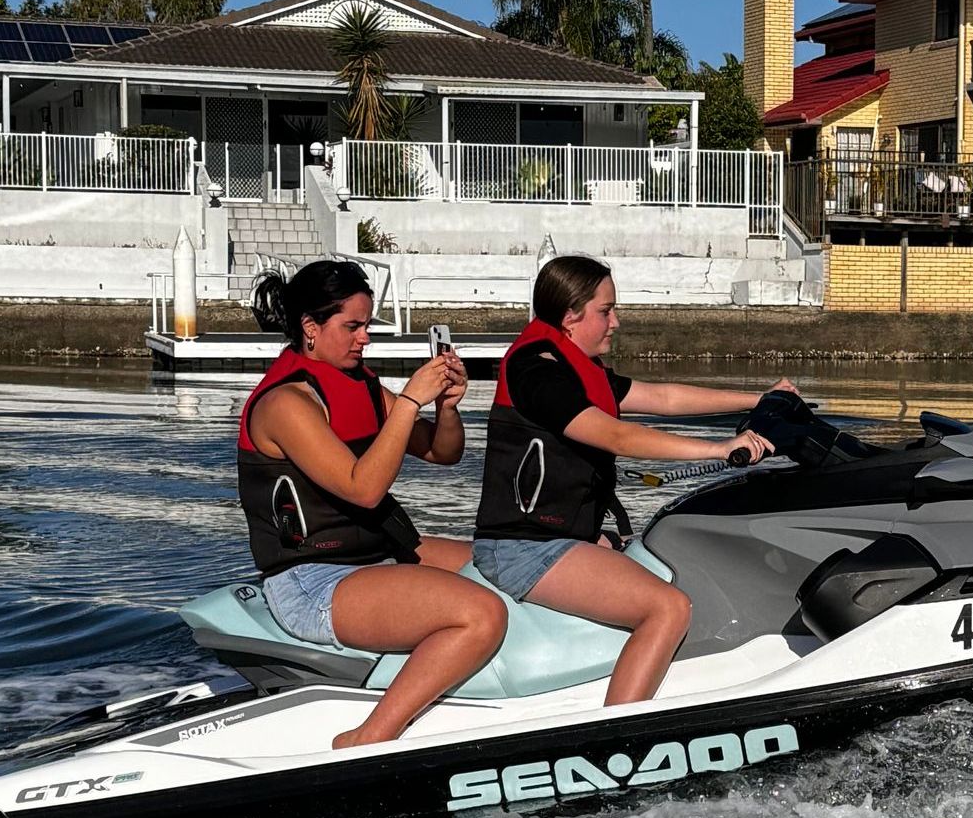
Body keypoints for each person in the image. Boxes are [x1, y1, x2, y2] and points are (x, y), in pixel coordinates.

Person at [474, 255, 792, 705]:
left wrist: (762, 397)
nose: (616, 322)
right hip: (524, 547)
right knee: (667, 607)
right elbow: (613, 434)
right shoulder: (537, 370)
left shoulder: (582, 369)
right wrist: (718, 449)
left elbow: (662, 396)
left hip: (561, 537)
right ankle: (616, 737)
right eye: (606, 311)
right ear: (570, 316)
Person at [239, 260, 505, 750]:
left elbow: (443, 453)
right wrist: (408, 402)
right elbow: (364, 489)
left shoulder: (359, 383)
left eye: (368, 325)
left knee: (505, 564)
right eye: (353, 326)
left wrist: (445, 406)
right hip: (312, 579)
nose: (365, 338)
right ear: (310, 329)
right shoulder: (286, 404)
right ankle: (368, 738)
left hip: (374, 551)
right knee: (481, 613)